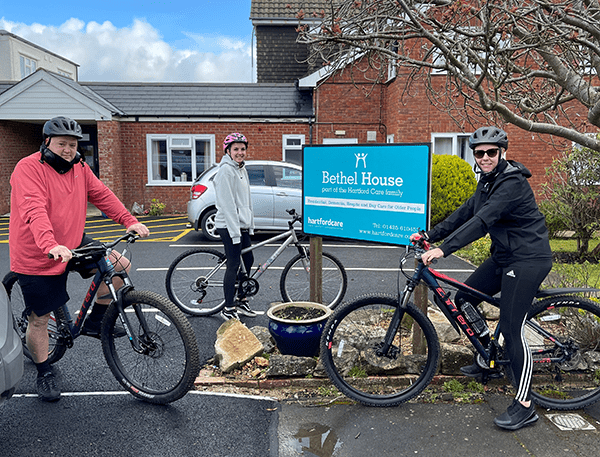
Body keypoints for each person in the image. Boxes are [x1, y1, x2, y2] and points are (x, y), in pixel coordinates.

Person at [410, 126, 552, 431]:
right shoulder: (487, 182)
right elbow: (466, 212)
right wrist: (429, 235)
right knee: (464, 297)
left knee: (513, 330)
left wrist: (443, 249)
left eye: (491, 152)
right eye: (479, 152)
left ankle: (525, 405)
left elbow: (482, 221)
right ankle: (488, 354)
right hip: (505, 256)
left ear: (503, 153)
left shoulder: (511, 182)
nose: (485, 157)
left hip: (528, 259)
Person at [9, 116, 150, 402]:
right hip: (38, 251)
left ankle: (95, 320)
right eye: (62, 144)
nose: (68, 150)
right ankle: (44, 370)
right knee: (40, 319)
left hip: (73, 240)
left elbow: (101, 194)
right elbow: (33, 210)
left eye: (73, 145)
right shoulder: (28, 168)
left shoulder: (79, 167)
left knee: (119, 265)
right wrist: (50, 244)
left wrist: (128, 220)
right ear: (47, 142)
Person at [214, 133, 257, 321]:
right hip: (228, 225)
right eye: (236, 149)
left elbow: (246, 200)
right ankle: (228, 307)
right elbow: (228, 204)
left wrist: (250, 225)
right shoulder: (226, 171)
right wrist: (235, 233)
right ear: (228, 151)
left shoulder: (241, 169)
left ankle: (241, 299)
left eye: (242, 149)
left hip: (241, 224)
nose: (240, 152)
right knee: (233, 265)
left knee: (248, 259)